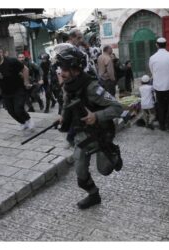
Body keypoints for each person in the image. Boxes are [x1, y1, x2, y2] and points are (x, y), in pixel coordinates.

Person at [56, 45, 123, 209]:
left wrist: (96, 116)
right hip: (82, 136)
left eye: (64, 69)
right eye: (60, 68)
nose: (61, 72)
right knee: (80, 174)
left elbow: (117, 107)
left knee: (105, 170)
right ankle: (94, 195)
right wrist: (62, 117)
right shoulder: (68, 85)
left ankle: (113, 153)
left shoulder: (92, 86)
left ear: (75, 69)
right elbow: (67, 104)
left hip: (100, 133)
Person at [0, 43, 34, 130]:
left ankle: (28, 119)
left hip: (18, 89)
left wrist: (26, 82)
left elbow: (25, 69)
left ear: (0, 52)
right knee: (11, 112)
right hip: (6, 92)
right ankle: (23, 122)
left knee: (18, 109)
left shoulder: (11, 61)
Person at [149, 37, 169, 132]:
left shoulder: (152, 58)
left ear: (156, 45)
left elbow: (152, 72)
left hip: (158, 86)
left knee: (161, 105)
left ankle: (162, 125)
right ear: (166, 44)